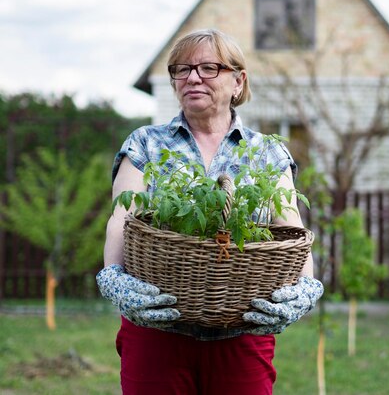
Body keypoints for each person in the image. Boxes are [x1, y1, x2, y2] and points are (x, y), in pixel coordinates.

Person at [96, 28, 323, 394]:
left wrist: (305, 288)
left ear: (238, 81)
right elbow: (122, 219)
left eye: (208, 68)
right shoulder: (146, 144)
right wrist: (115, 279)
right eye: (181, 69)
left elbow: (291, 227)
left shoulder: (265, 152)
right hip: (157, 326)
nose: (193, 77)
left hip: (241, 332)